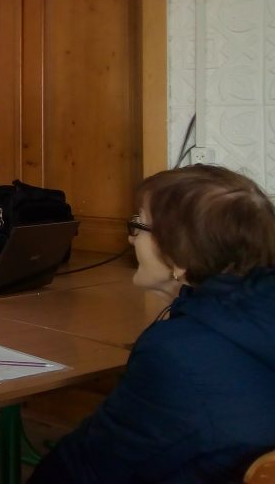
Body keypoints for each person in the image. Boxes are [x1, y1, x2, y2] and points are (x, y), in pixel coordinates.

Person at [30, 164, 275, 484]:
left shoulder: (177, 356)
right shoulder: (252, 318)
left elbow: (85, 469)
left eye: (139, 226)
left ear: (180, 255)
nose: (131, 239)